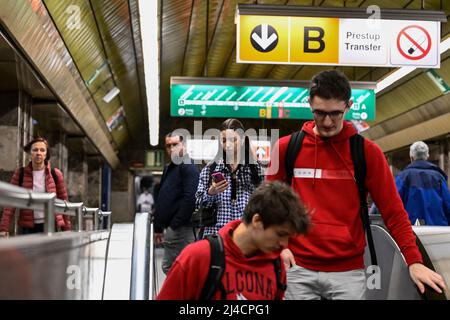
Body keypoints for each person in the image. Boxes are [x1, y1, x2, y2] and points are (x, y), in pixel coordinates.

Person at [266, 69, 446, 299]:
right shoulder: (285, 149)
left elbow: (394, 211)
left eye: (335, 114)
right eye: (320, 113)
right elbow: (269, 207)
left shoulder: (367, 154)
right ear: (309, 103)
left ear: (348, 106)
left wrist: (414, 261)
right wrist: (279, 248)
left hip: (348, 273)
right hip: (297, 270)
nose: (327, 121)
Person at [157, 181, 311, 300]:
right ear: (257, 221)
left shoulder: (276, 266)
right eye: (280, 234)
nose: (284, 244)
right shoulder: (198, 257)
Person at [195, 118, 262, 238]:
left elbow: (264, 204)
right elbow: (197, 203)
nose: (228, 145)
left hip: (245, 236)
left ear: (242, 140)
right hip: (215, 236)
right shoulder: (210, 169)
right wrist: (211, 192)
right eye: (224, 140)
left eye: (233, 140)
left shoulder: (255, 170)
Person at [0, 137, 71, 236]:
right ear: (30, 153)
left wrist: (66, 230)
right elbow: (10, 203)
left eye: (42, 150)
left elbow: (64, 203)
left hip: (49, 225)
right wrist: (4, 228)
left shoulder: (55, 174)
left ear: (46, 154)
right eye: (35, 150)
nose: (38, 153)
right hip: (27, 227)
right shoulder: (20, 174)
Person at [154, 132, 199, 274]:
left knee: (178, 269)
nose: (171, 148)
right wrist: (158, 227)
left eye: (175, 144)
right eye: (168, 146)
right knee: (174, 268)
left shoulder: (188, 166)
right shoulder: (170, 168)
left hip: (182, 229)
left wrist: (174, 225)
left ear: (184, 145)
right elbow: (164, 197)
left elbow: (190, 198)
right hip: (173, 228)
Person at [395, 141, 450, 226]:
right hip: (438, 232)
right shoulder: (439, 178)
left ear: (411, 157)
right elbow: (448, 205)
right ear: (427, 156)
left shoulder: (403, 178)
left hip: (413, 232)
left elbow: (394, 206)